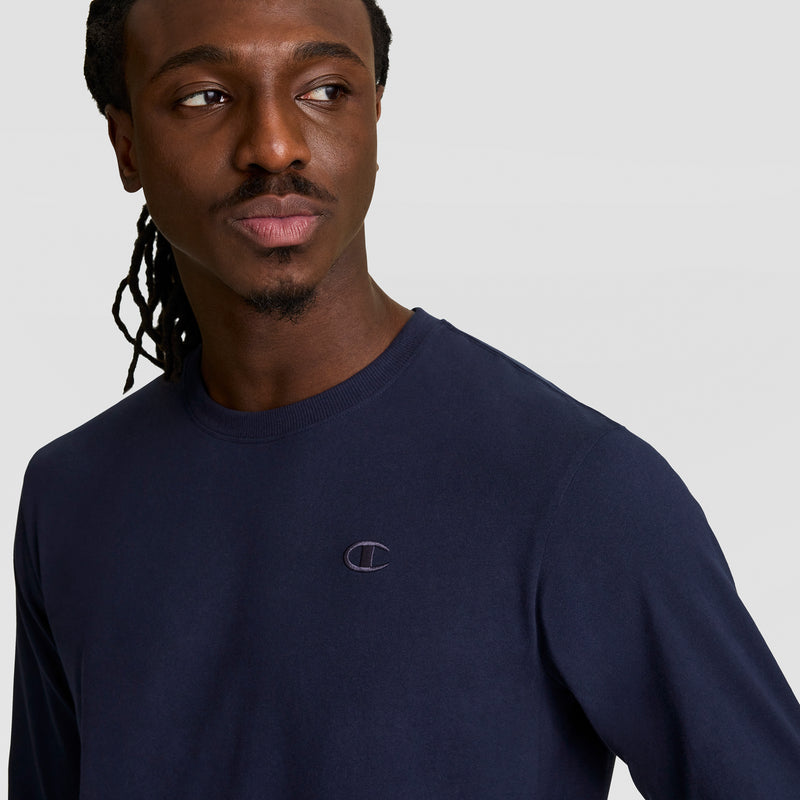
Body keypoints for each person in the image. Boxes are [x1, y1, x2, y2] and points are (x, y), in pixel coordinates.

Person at [9, 0, 800, 797]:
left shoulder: (575, 488)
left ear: (374, 119)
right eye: (206, 97)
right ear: (126, 144)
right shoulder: (69, 495)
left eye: (325, 90)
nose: (274, 145)